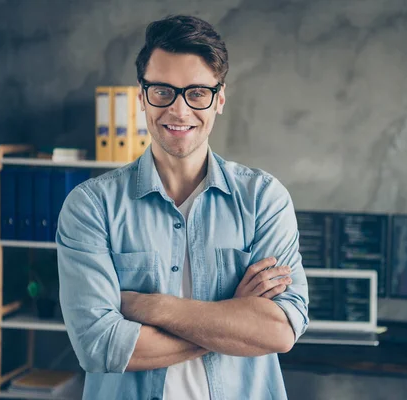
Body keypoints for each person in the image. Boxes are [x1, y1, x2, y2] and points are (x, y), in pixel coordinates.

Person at [57, 15, 309, 400]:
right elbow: (99, 344)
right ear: (142, 96)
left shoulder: (264, 200)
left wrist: (152, 307)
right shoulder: (91, 207)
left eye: (196, 92)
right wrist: (235, 318)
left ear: (219, 98)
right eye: (162, 91)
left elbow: (279, 330)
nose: (178, 110)